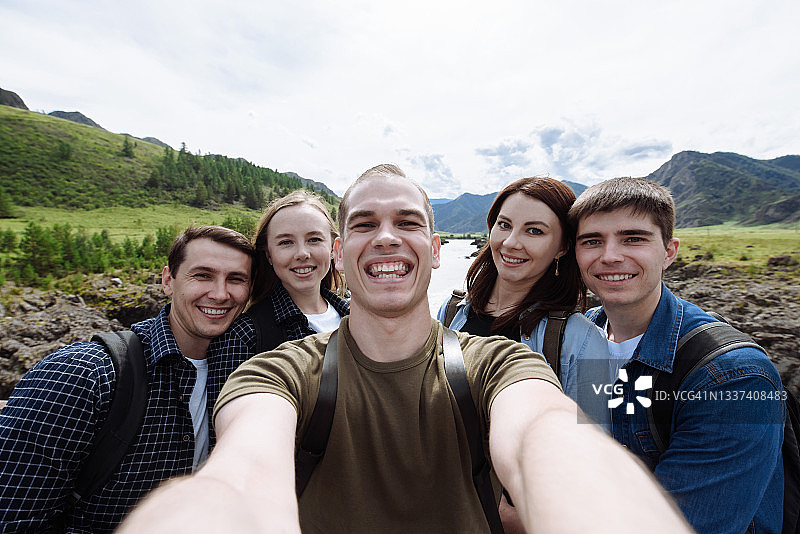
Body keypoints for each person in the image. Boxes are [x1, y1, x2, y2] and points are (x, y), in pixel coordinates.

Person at [118, 165, 692, 534]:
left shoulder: (540, 353)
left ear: (435, 249)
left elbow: (562, 439)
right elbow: (242, 468)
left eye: (536, 231)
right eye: (366, 223)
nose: (514, 243)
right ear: (340, 253)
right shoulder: (282, 370)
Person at [0, 225, 255, 532]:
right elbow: (13, 517)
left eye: (235, 279)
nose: (219, 293)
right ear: (168, 281)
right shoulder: (85, 374)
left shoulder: (241, 372)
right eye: (202, 275)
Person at [569, 176, 784, 533]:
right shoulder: (583, 336)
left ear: (669, 251)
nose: (610, 256)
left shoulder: (735, 377)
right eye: (592, 241)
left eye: (633, 239)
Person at [436, 176, 610, 411]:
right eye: (504, 225)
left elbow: (593, 439)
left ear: (563, 247)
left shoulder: (584, 341)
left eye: (534, 231)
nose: (510, 242)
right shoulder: (450, 311)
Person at [239, 189, 348, 352]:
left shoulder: (358, 317)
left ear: (333, 248)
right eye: (286, 242)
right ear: (269, 255)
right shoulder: (246, 335)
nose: (302, 253)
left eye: (314, 239)